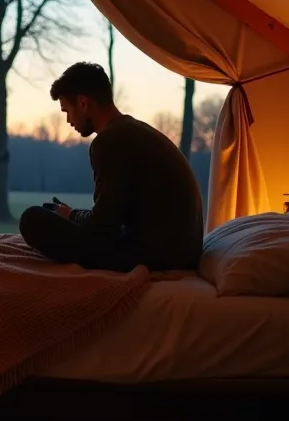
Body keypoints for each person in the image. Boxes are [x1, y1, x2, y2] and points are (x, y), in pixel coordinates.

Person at [19, 62, 205, 273]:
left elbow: (103, 227)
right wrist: (73, 215)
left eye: (67, 111)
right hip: (181, 252)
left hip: (156, 257)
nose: (69, 120)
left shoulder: (109, 141)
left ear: (83, 103)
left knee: (32, 219)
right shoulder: (135, 131)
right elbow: (114, 216)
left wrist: (71, 217)